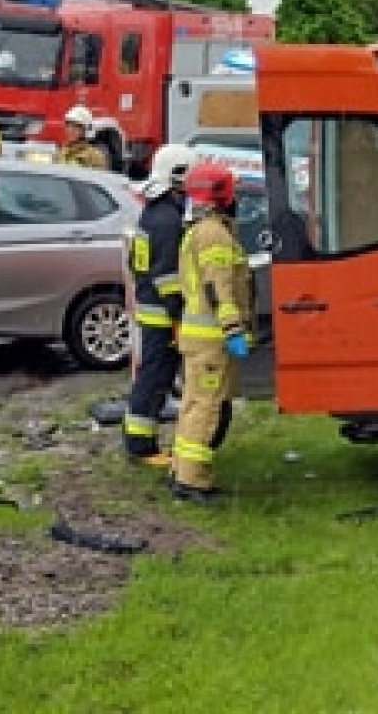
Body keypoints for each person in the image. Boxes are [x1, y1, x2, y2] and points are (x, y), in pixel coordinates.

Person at [168, 162, 254, 503]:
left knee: (193, 404)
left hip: (198, 335)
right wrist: (233, 328)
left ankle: (182, 472)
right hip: (211, 339)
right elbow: (218, 286)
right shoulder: (214, 233)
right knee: (206, 406)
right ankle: (193, 482)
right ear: (223, 196)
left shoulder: (199, 230)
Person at [122, 143, 197, 464]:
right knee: (155, 378)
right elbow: (167, 276)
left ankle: (139, 438)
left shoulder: (154, 212)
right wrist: (179, 317)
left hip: (151, 309)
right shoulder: (167, 220)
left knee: (153, 377)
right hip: (161, 316)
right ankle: (141, 445)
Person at [57, 105, 107, 169]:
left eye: (76, 126)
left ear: (85, 130)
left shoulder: (94, 156)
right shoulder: (62, 151)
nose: (70, 130)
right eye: (68, 125)